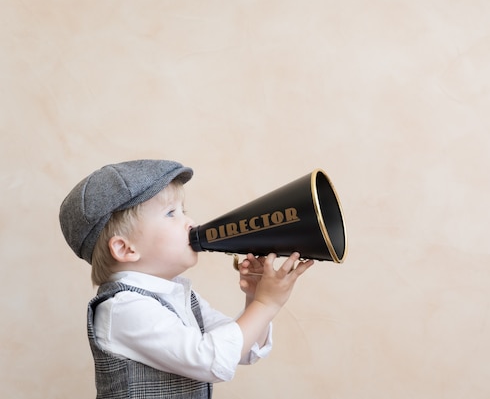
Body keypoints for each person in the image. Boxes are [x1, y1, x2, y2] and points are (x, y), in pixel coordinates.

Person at [59, 159, 314, 399]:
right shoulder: (123, 308)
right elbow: (211, 360)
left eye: (184, 211)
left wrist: (254, 299)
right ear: (126, 249)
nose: (190, 222)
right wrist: (266, 304)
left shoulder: (179, 295)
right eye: (171, 213)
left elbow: (240, 349)